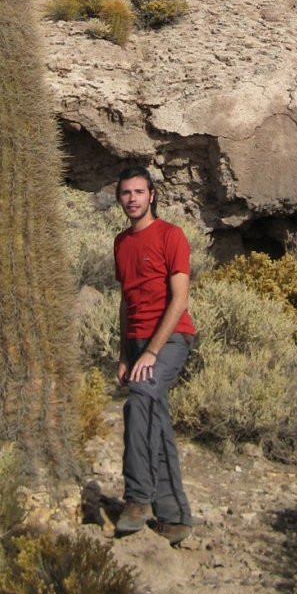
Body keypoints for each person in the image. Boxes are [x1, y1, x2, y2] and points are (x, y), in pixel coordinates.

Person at [113, 166, 196, 545]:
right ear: (120, 198)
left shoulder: (170, 235)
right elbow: (126, 302)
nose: (133, 198)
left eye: (139, 192)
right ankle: (174, 517)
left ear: (152, 196)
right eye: (126, 193)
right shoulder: (121, 242)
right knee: (152, 412)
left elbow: (179, 298)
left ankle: (137, 499)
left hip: (171, 337)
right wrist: (125, 353)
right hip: (136, 342)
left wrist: (150, 352)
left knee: (140, 399)